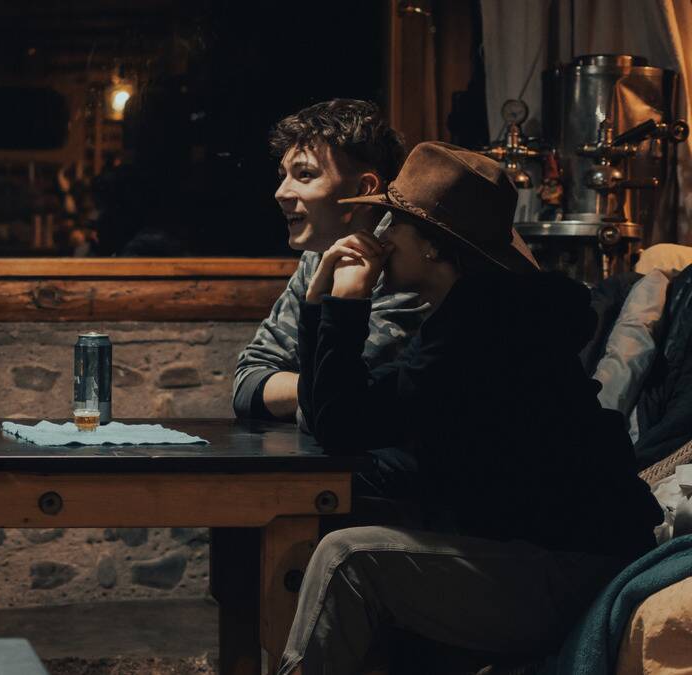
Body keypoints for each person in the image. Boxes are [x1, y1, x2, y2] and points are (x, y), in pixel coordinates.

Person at [279, 142, 662, 674]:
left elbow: (342, 426)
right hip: (536, 552)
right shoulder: (467, 318)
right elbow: (337, 417)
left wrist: (344, 303)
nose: (381, 239)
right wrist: (319, 303)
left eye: (395, 225)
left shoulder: (484, 330)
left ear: (434, 247)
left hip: (569, 572)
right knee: (358, 512)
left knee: (347, 561)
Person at [233, 99, 428, 422]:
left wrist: (311, 394)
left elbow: (342, 409)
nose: (281, 192)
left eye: (304, 174)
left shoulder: (406, 266)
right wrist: (313, 393)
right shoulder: (321, 256)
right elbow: (248, 381)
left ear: (364, 188)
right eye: (283, 175)